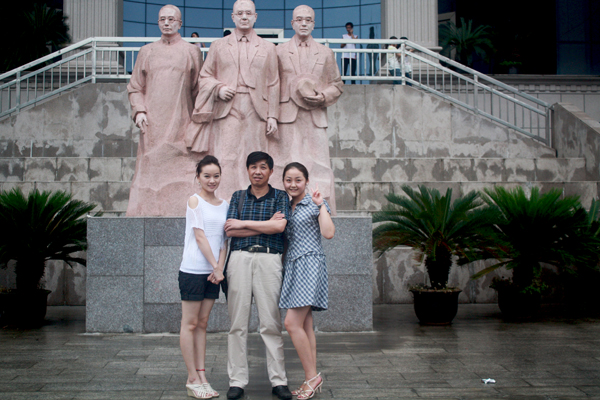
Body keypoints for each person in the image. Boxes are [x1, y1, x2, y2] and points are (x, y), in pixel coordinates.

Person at [188, 0, 280, 203]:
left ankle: (255, 201)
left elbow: (273, 83)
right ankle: (225, 201)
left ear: (255, 17)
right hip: (227, 108)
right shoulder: (219, 46)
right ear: (233, 17)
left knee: (257, 159)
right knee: (226, 156)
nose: (244, 17)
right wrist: (218, 89)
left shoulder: (269, 47)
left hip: (257, 108)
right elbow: (205, 76)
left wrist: (273, 115)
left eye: (248, 13)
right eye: (240, 13)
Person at [223, 151, 292, 400]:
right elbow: (230, 229)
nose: (258, 171)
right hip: (239, 259)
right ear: (247, 170)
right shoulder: (238, 196)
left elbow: (279, 227)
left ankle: (279, 380)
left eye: (263, 167)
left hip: (269, 260)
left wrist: (244, 224)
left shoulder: (280, 196)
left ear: (271, 171)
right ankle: (237, 381)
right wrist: (255, 226)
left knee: (271, 323)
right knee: (237, 324)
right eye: (253, 167)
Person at [127, 4, 203, 216]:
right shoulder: (146, 51)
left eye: (171, 19)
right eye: (163, 19)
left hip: (181, 119)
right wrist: (139, 110)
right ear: (158, 22)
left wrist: (199, 121)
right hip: (152, 121)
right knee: (150, 166)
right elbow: (135, 87)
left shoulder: (191, 51)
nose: (167, 23)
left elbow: (199, 88)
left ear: (180, 23)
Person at [272, 5, 343, 214]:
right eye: (299, 20)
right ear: (292, 23)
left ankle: (321, 208)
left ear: (314, 23)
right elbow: (272, 83)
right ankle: (284, 208)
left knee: (319, 164)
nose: (304, 23)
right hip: (287, 115)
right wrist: (270, 116)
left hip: (315, 115)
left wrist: (322, 96)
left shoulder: (325, 52)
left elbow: (337, 84)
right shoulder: (279, 51)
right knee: (285, 163)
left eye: (308, 20)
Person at [280, 162, 335, 400]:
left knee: (291, 324)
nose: (293, 184)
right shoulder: (285, 205)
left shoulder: (314, 203)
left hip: (309, 263)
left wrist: (320, 204)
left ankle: (313, 376)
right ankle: (309, 378)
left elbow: (329, 233)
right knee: (305, 325)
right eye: (288, 180)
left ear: (306, 180)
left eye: (298, 180)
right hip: (292, 265)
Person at [179, 155, 227, 399]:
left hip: (213, 273)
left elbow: (224, 241)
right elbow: (200, 236)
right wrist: (215, 267)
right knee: (189, 323)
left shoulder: (225, 204)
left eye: (216, 176)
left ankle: (202, 375)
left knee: (203, 324)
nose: (212, 180)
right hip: (193, 270)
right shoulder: (194, 201)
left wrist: (219, 267)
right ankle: (191, 378)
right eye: (207, 175)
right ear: (198, 177)